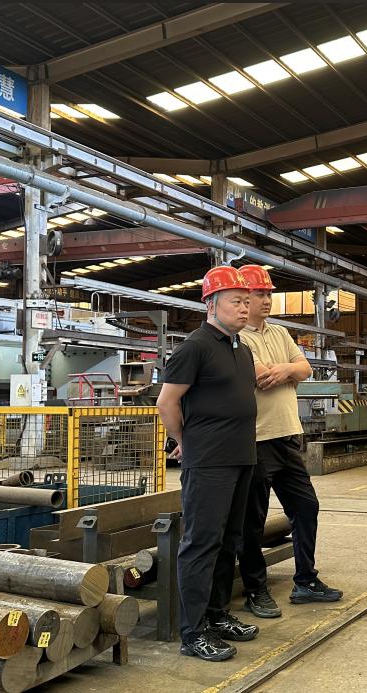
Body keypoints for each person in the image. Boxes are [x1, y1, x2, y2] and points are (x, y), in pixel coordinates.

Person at [156, 265, 259, 662]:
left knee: (228, 541)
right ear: (211, 304)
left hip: (241, 457)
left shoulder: (241, 349)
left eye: (247, 302)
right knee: (201, 544)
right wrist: (186, 442)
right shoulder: (194, 347)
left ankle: (217, 615)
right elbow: (167, 402)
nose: (245, 308)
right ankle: (193, 631)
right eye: (237, 301)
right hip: (209, 460)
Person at [235, 264, 342, 618]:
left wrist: (284, 370)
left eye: (269, 294)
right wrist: (288, 371)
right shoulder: (238, 337)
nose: (266, 300)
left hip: (288, 436)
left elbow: (304, 369)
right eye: (259, 294)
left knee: (306, 507)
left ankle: (305, 580)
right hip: (256, 440)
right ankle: (256, 589)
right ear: (243, 298)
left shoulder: (279, 332)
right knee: (253, 521)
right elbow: (259, 376)